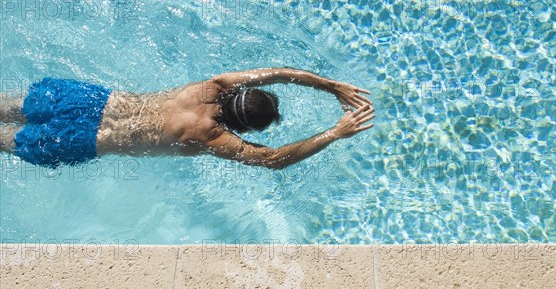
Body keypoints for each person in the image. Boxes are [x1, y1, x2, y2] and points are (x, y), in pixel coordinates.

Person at [0, 67, 375, 169]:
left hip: (86, 102)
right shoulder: (208, 136)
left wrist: (329, 85)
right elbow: (271, 159)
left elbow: (278, 73)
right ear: (243, 127)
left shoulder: (212, 86)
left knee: (6, 105)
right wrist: (335, 133)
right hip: (83, 139)